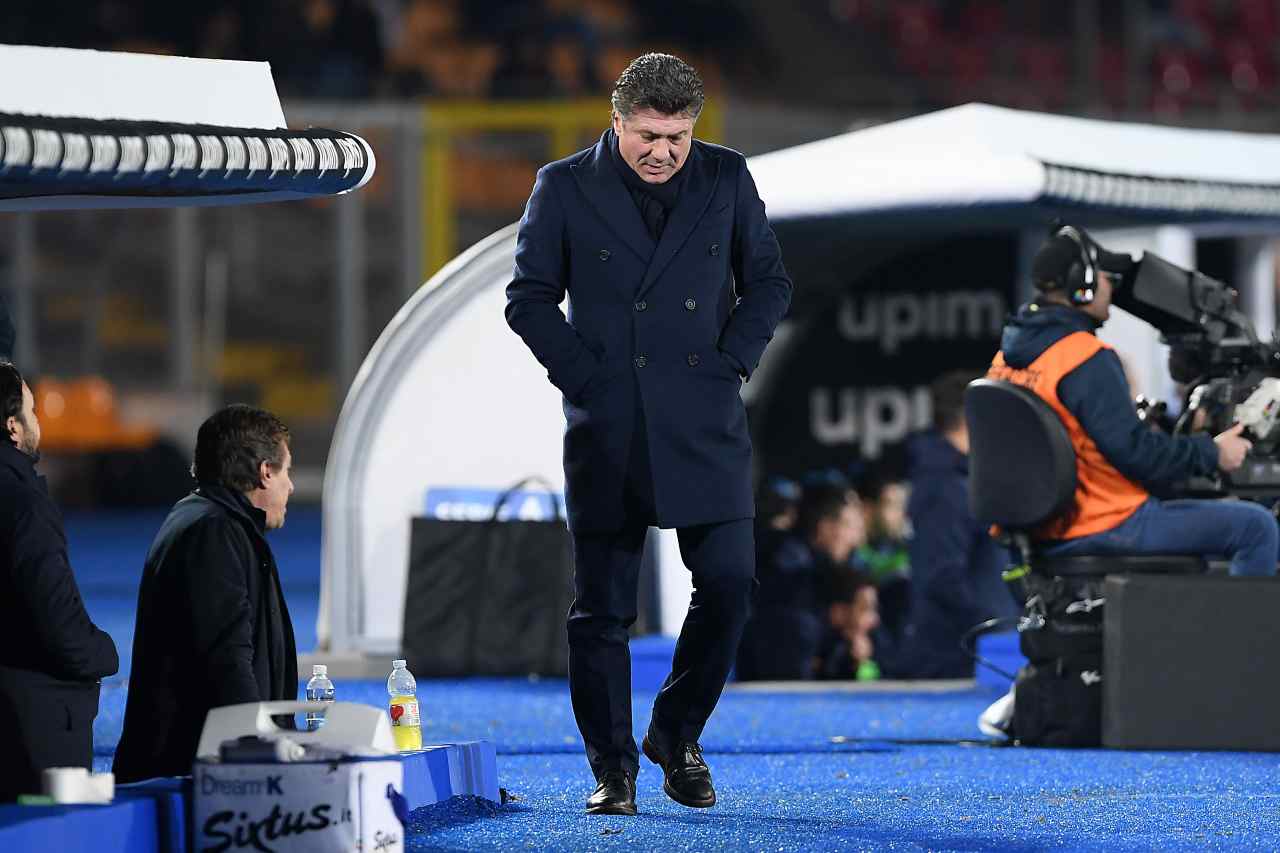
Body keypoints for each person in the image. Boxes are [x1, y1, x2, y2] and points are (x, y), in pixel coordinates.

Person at [505, 52, 792, 815]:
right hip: (611, 424)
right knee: (602, 609)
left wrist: (732, 361)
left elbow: (770, 282)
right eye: (649, 136)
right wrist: (588, 379)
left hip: (705, 416)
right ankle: (614, 768)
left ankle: (676, 731)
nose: (663, 151)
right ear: (617, 121)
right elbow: (528, 298)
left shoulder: (727, 177)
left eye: (678, 137)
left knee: (729, 583)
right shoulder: (563, 186)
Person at [986, 226, 1277, 576]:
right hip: (1104, 523)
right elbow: (1137, 455)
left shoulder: (1007, 359)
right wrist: (1212, 452)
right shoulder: (1084, 357)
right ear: (1083, 285)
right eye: (1107, 280)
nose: (1112, 290)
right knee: (1255, 526)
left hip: (1042, 530)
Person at [113, 404, 298, 783]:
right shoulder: (214, 532)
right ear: (265, 472)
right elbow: (226, 659)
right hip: (194, 774)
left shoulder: (211, 522)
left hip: (198, 765)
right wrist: (261, 752)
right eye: (287, 472)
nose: (291, 486)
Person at [0, 361, 118, 800]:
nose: (38, 421)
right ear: (13, 426)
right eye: (32, 411)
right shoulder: (23, 505)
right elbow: (59, 625)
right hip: (30, 730)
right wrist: (104, 653)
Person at [888, 370, 1020, 680]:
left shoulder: (961, 481)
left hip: (976, 653)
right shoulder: (944, 487)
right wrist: (993, 624)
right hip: (956, 660)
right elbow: (942, 576)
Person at [736, 484, 865, 681]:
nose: (855, 540)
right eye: (849, 526)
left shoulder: (817, 575)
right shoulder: (791, 576)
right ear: (825, 527)